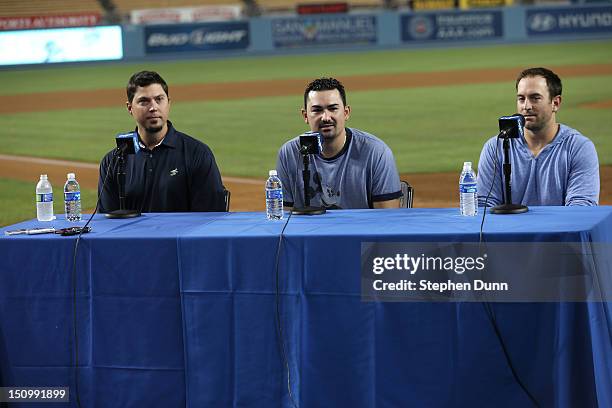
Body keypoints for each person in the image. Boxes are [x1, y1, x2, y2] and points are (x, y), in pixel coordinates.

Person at [98, 71, 226, 213]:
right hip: (135, 236)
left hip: (180, 235)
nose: (153, 107)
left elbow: (212, 217)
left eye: (159, 99)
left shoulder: (197, 153)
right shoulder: (114, 161)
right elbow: (107, 221)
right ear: (130, 108)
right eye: (144, 101)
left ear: (168, 103)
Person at [477, 67, 599, 207]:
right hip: (510, 229)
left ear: (555, 103)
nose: (526, 106)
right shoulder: (496, 147)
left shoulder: (578, 147)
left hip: (560, 229)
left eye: (535, 98)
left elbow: (581, 208)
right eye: (521, 99)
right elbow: (484, 206)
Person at [276, 77, 402, 209]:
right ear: (305, 116)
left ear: (346, 113)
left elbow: (387, 219)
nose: (325, 117)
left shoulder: (376, 153)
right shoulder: (289, 153)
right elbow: (284, 219)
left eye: (333, 108)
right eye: (317, 110)